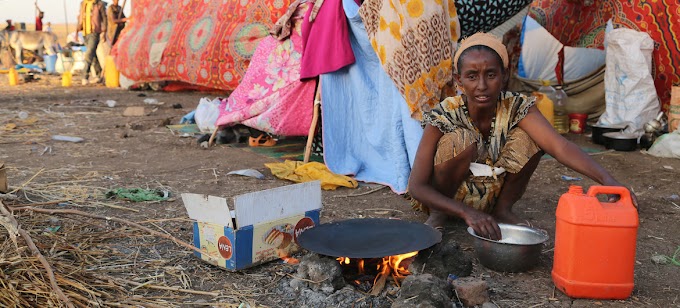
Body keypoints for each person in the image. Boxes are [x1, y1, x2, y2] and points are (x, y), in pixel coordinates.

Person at [407, 32, 636, 241]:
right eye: (472, 76)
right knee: (460, 141)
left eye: (491, 74)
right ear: (459, 81)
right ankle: (439, 215)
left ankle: (502, 211)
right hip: (444, 200)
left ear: (504, 76)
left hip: (489, 198)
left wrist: (608, 181)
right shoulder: (445, 113)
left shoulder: (517, 106)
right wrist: (467, 212)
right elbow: (416, 186)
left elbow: (560, 147)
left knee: (531, 139)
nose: (482, 85)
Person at [76, 0, 107, 85]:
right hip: (85, 33)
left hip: (94, 32)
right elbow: (80, 17)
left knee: (89, 54)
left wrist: (104, 32)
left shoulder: (99, 4)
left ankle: (84, 76)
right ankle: (98, 75)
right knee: (92, 55)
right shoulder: (83, 4)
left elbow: (104, 18)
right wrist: (77, 31)